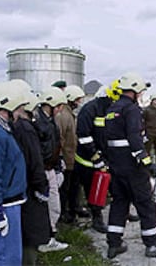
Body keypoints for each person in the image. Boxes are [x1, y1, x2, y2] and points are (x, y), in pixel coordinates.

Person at [105, 72, 156, 259]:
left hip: (116, 166)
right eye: (140, 91)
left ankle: (114, 244)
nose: (142, 95)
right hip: (132, 167)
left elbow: (108, 139)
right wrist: (148, 163)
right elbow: (135, 139)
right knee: (146, 204)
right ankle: (152, 245)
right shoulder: (132, 109)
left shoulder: (112, 109)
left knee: (119, 203)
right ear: (134, 91)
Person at [11, 80, 52, 265]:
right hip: (29, 188)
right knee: (31, 231)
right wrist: (42, 187)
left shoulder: (14, 127)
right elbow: (35, 161)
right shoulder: (26, 130)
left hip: (20, 186)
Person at [0, 81, 27, 265]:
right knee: (4, 256)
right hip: (2, 205)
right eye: (19, 109)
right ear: (8, 107)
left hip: (8, 201)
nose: (20, 114)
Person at [33, 87, 69, 252]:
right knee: (51, 205)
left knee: (53, 205)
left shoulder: (48, 120)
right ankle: (47, 239)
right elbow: (39, 151)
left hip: (51, 168)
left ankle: (49, 235)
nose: (61, 109)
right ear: (53, 105)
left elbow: (54, 144)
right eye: (60, 105)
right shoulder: (40, 123)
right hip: (44, 171)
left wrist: (58, 163)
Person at [73, 85, 112, 233]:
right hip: (87, 161)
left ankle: (121, 212)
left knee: (110, 187)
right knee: (93, 189)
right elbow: (84, 137)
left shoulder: (108, 109)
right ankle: (97, 218)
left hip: (103, 157)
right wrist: (96, 158)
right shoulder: (89, 110)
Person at [55, 85, 88, 223]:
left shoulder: (70, 114)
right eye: (78, 100)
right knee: (64, 190)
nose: (79, 102)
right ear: (71, 100)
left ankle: (73, 210)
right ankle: (63, 215)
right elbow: (60, 139)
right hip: (66, 160)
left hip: (71, 158)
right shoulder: (63, 116)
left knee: (73, 187)